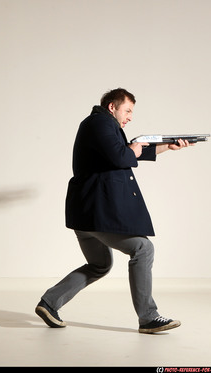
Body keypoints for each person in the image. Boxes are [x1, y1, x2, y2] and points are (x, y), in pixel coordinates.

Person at [35, 88, 192, 334]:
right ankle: (148, 317)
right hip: (97, 213)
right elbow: (122, 156)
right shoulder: (99, 123)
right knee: (143, 248)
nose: (130, 116)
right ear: (112, 107)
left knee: (99, 264)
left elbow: (124, 152)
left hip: (86, 215)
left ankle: (49, 303)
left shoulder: (101, 126)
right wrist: (134, 148)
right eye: (127, 110)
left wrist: (166, 146)